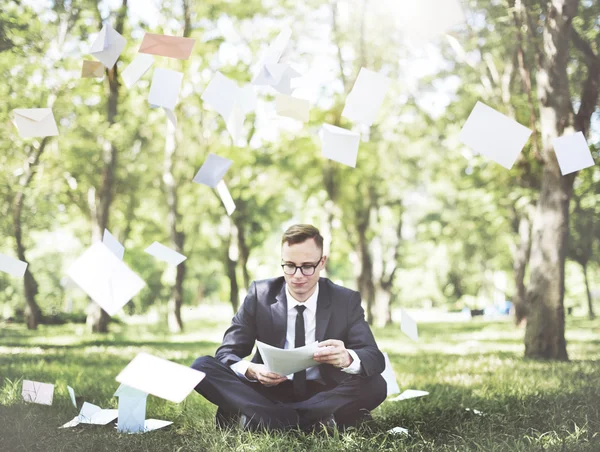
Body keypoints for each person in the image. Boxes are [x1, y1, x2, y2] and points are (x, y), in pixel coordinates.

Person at [191, 224, 387, 431]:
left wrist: (347, 358)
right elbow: (226, 353)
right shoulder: (260, 294)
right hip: (266, 391)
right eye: (290, 265)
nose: (298, 275)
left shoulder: (345, 300)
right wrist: (252, 370)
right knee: (201, 367)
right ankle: (307, 421)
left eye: (307, 266)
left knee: (375, 384)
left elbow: (374, 357)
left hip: (322, 393)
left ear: (322, 262)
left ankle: (267, 419)